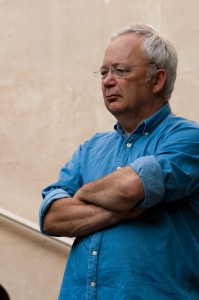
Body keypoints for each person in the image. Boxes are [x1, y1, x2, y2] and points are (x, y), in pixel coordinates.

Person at [39, 23, 199, 299]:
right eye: (104, 72)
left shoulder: (188, 138)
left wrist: (84, 194)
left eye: (121, 70)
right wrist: (124, 210)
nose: (107, 80)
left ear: (157, 80)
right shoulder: (90, 148)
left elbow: (130, 188)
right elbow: (52, 218)